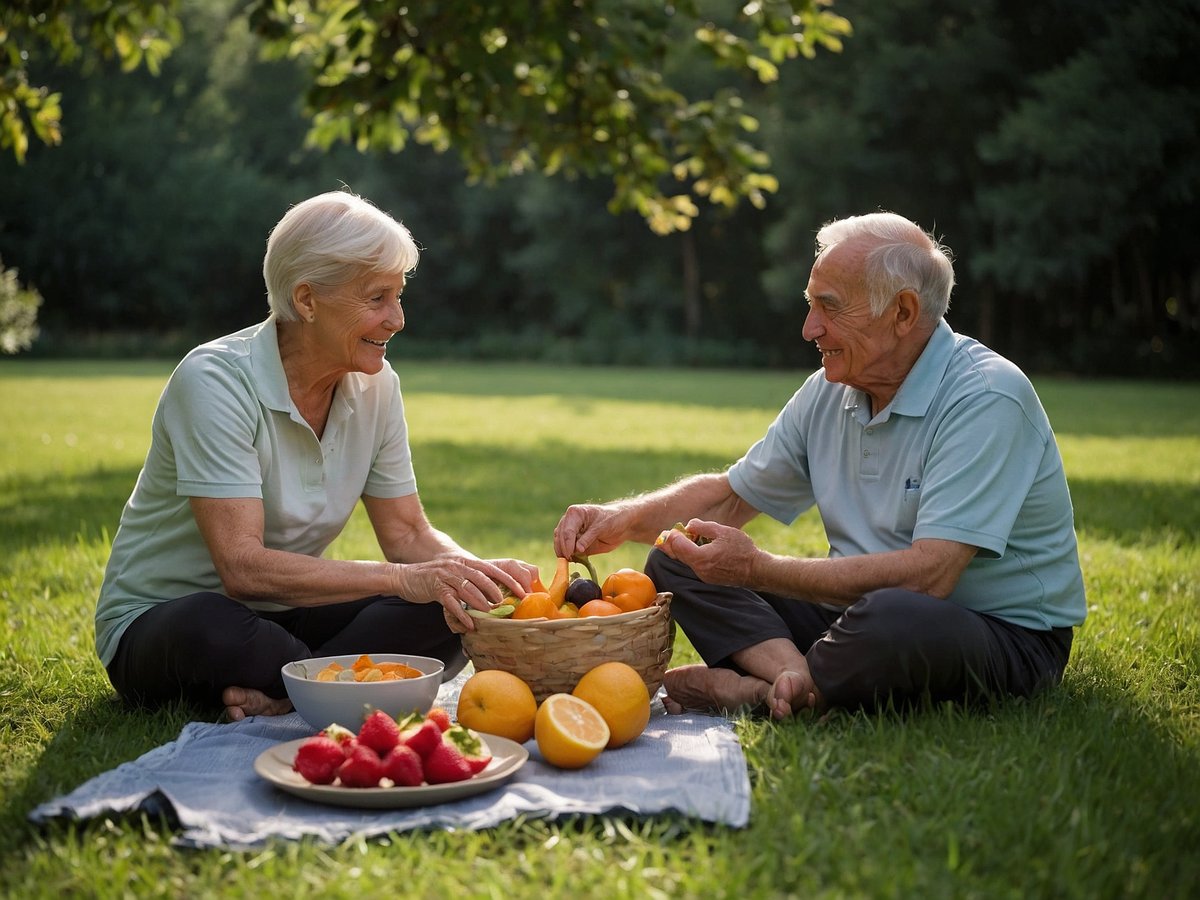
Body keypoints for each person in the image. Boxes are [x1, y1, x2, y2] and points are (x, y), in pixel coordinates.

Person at [554, 212, 1087, 719]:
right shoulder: (833, 390)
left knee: (892, 617)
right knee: (678, 555)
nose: (810, 328)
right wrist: (621, 519)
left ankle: (759, 689)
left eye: (830, 308)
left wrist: (759, 569)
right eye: (810, 305)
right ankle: (792, 685)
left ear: (902, 313)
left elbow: (931, 577)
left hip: (997, 636)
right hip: (853, 618)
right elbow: (731, 497)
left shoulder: (987, 396)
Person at [96, 190, 538, 721]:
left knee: (443, 613)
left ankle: (287, 695)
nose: (397, 319)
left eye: (398, 297)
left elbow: (408, 535)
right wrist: (400, 579)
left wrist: (476, 576)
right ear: (307, 301)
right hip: (169, 624)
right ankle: (336, 682)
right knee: (213, 625)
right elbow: (242, 569)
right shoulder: (213, 380)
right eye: (377, 299)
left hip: (287, 614)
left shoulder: (377, 385)